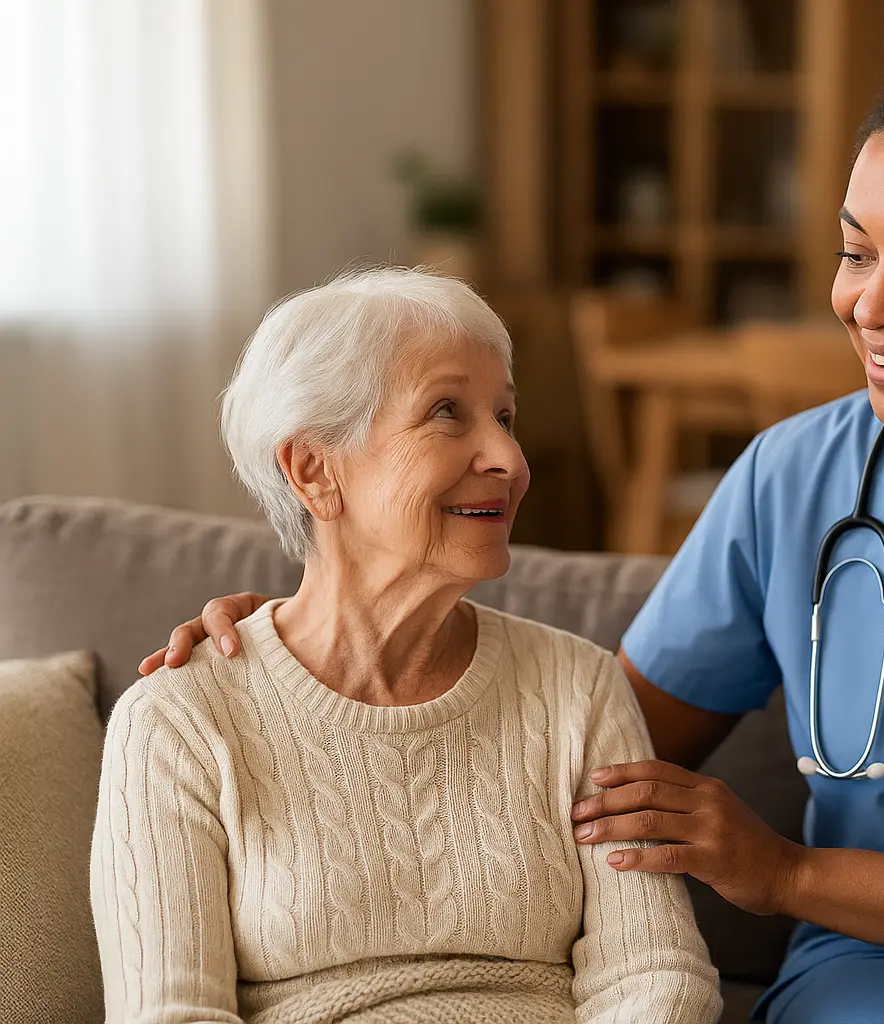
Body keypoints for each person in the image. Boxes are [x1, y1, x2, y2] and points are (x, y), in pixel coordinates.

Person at [143, 47, 884, 1024]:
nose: (869, 303)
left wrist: (785, 875)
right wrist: (311, 648)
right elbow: (578, 760)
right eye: (854, 252)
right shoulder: (798, 476)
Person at [97, 268, 721, 1024]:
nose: (510, 461)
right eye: (447, 413)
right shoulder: (180, 721)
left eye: (506, 416)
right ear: (313, 470)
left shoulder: (577, 686)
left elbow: (657, 974)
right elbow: (171, 1014)